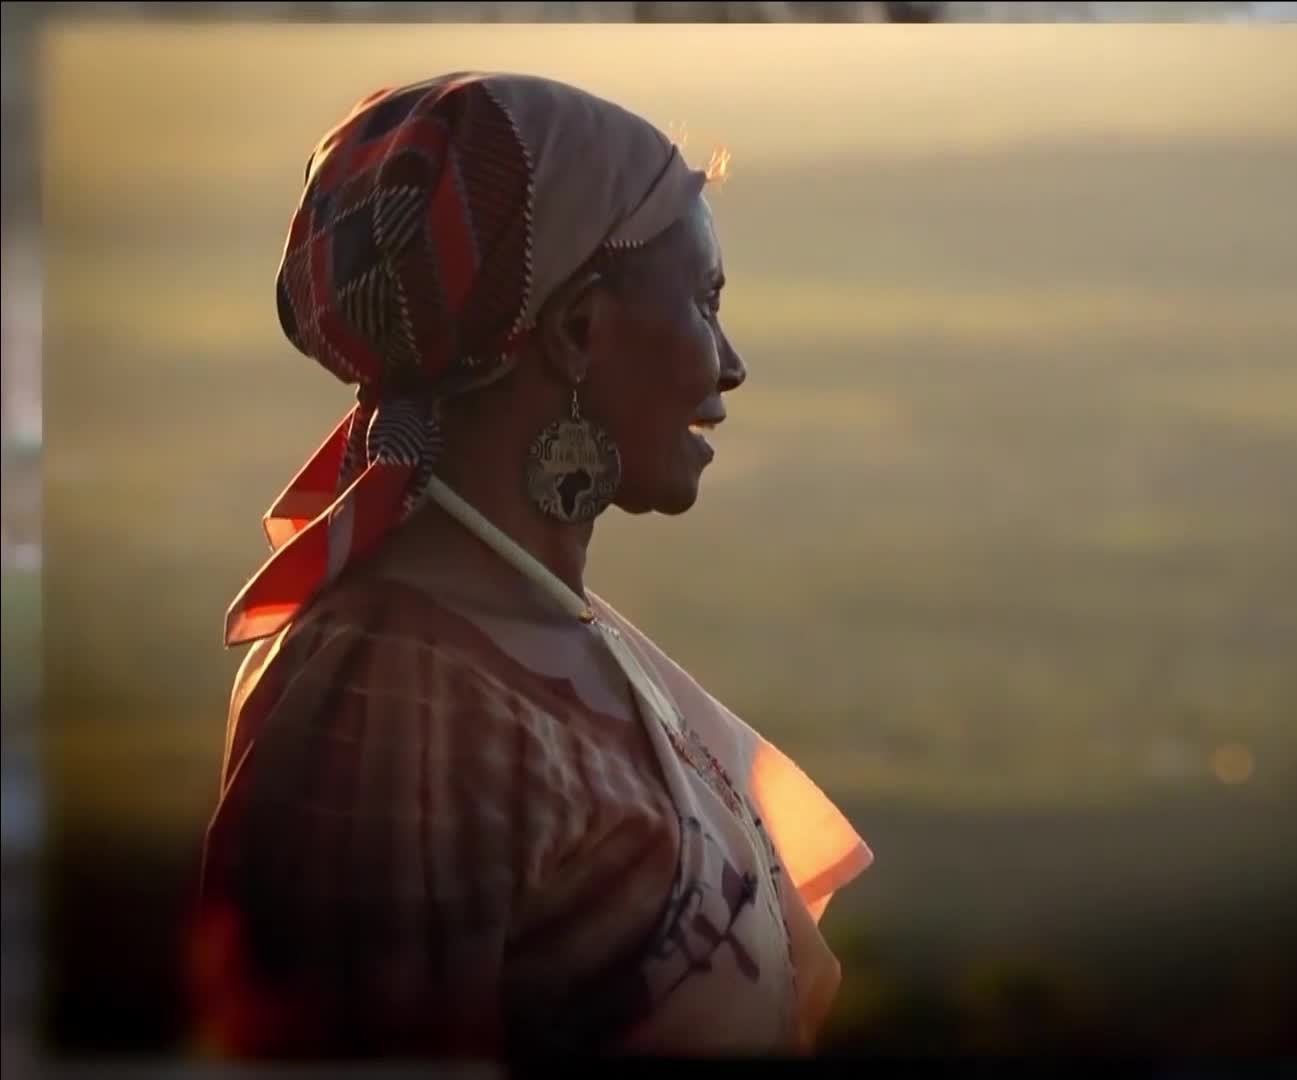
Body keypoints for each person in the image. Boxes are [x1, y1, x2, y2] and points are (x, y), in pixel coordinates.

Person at [191, 71, 872, 1061]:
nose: (730, 364)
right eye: (703, 302)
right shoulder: (398, 698)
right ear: (577, 331)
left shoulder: (542, 627)